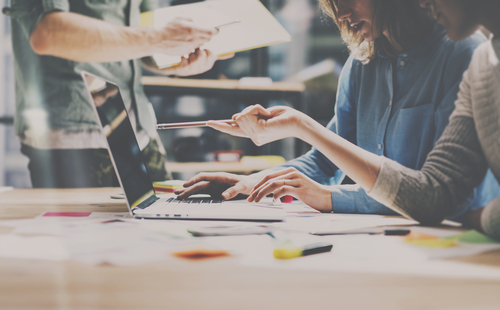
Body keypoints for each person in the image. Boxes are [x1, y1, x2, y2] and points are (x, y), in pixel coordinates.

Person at [176, 0, 499, 221]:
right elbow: (328, 157)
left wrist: (331, 197)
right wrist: (250, 184)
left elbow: (443, 197)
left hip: (450, 240)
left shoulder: (466, 55)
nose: (341, 13)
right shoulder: (362, 63)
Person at [9, 0, 231, 188]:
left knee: (164, 230)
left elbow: (140, 36)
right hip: (75, 135)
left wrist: (175, 62)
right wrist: (158, 38)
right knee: (85, 238)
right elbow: (48, 32)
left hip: (140, 130)